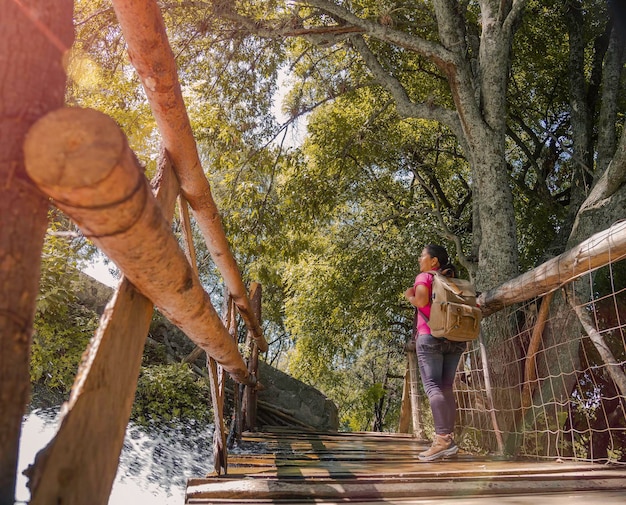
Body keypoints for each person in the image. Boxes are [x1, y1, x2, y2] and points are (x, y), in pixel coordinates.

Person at [404, 244, 466, 462]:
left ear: (434, 262)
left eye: (423, 256)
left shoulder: (425, 276)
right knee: (446, 387)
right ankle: (448, 440)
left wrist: (409, 295)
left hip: (430, 335)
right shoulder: (452, 280)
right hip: (456, 338)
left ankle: (441, 440)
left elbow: (421, 301)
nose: (420, 259)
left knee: (432, 386)